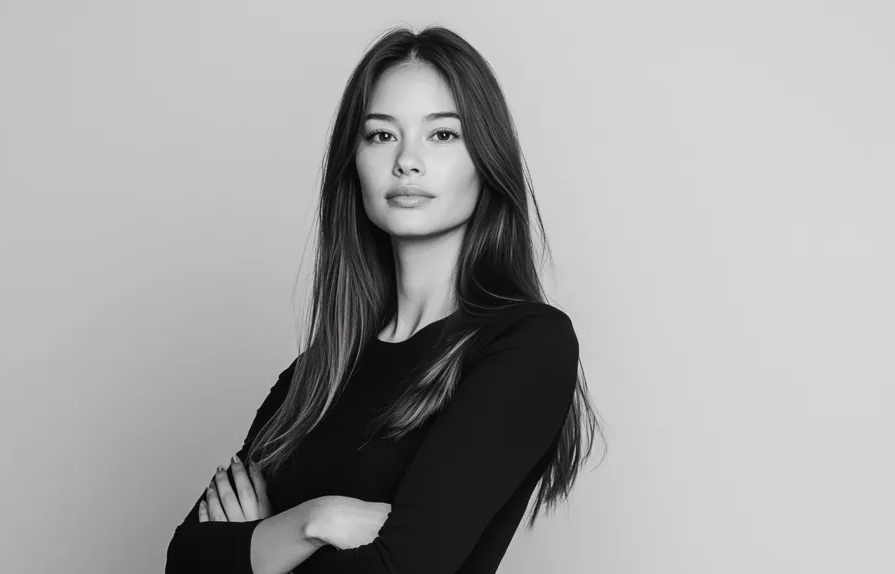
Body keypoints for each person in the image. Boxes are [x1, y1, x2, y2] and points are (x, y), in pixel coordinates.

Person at [165, 25, 604, 574]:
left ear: (486, 159)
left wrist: (258, 546)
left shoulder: (526, 345)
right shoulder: (312, 379)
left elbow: (400, 569)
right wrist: (314, 521)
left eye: (442, 135)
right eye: (380, 135)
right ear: (354, 163)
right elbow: (183, 562)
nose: (407, 161)